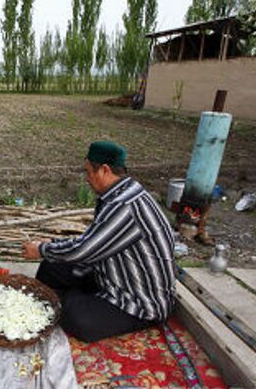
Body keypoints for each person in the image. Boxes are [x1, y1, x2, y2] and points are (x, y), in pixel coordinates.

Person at [22, 141, 176, 342]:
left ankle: (70, 300)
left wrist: (41, 249)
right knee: (52, 266)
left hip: (140, 303)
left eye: (88, 172)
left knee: (76, 318)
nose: (86, 178)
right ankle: (72, 298)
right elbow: (94, 240)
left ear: (104, 170)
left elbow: (84, 249)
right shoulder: (122, 192)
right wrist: (51, 245)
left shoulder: (125, 205)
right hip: (113, 277)